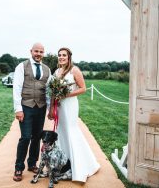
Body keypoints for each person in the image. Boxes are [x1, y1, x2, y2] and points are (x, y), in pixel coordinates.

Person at [48, 47, 100, 182]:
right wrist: (51, 108)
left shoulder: (74, 70)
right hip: (59, 106)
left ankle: (81, 165)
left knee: (71, 131)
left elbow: (83, 88)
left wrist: (66, 94)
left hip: (70, 105)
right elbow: (53, 91)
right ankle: (63, 164)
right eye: (59, 55)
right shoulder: (56, 71)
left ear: (69, 57)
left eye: (64, 55)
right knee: (61, 131)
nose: (61, 57)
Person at [12, 43, 51, 182]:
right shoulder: (21, 66)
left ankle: (32, 164)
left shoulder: (47, 69)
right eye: (36, 51)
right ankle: (18, 168)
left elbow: (47, 91)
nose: (38, 54)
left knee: (36, 137)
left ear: (43, 53)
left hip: (40, 108)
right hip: (26, 107)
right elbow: (16, 88)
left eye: (41, 51)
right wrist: (18, 109)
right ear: (31, 51)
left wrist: (50, 109)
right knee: (25, 137)